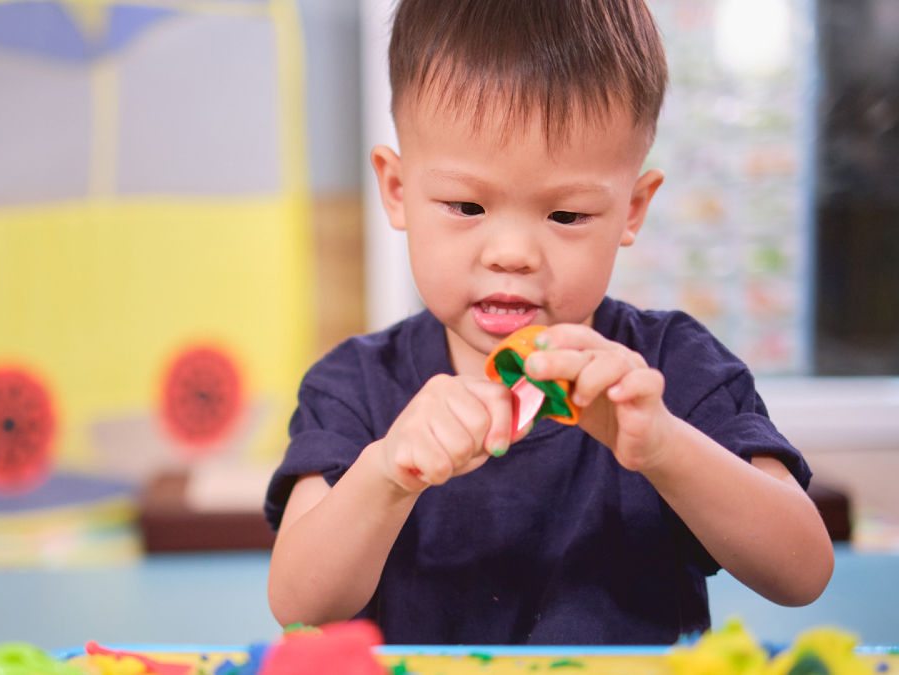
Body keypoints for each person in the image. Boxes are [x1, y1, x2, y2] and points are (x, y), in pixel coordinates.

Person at [264, 0, 834, 645]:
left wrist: (666, 447)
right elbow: (298, 606)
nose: (513, 253)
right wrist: (387, 473)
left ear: (633, 210)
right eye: (466, 205)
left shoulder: (671, 367)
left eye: (566, 216)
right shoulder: (354, 385)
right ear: (397, 190)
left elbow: (803, 573)